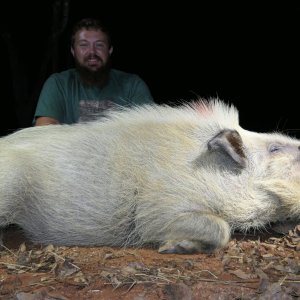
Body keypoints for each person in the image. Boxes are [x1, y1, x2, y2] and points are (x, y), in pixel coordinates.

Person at [34, 17, 154, 126]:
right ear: (73, 51)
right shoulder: (58, 84)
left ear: (110, 50)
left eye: (99, 45)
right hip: (71, 150)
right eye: (83, 45)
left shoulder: (133, 85)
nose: (92, 52)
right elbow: (44, 128)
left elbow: (148, 129)